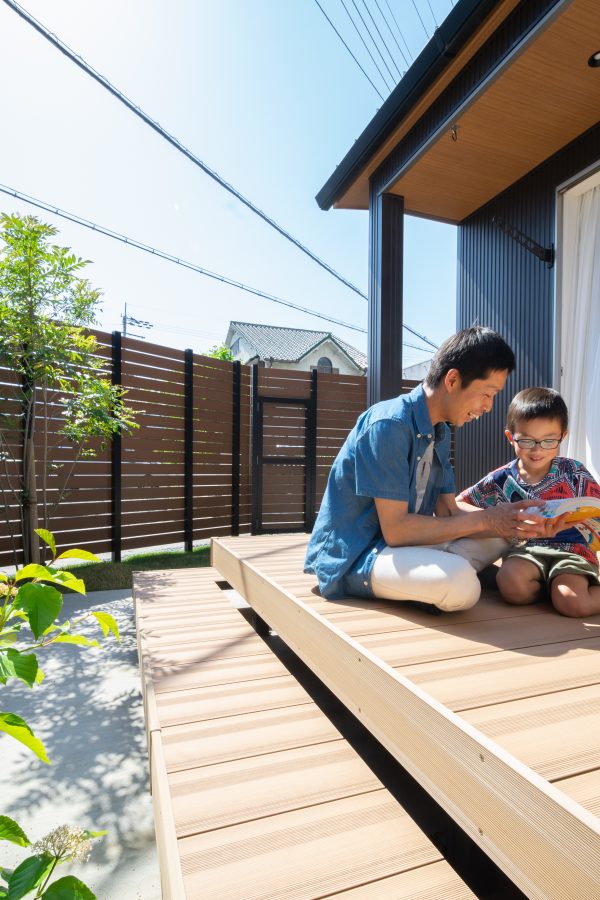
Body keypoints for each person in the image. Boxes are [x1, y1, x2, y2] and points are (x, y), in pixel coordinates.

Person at [304, 326, 547, 612]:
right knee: (461, 583)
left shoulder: (439, 431)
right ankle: (451, 575)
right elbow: (396, 531)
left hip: (405, 550)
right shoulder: (389, 425)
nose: (488, 407)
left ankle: (436, 577)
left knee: (504, 533)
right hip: (360, 557)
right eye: (487, 394)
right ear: (453, 380)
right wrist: (487, 519)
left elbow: (449, 512)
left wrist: (518, 521)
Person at [457, 387, 600, 618]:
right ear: (510, 437)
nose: (537, 449)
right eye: (526, 440)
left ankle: (561, 593)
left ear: (562, 436)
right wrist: (494, 519)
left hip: (572, 551)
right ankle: (552, 592)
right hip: (525, 551)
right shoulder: (501, 478)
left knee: (574, 603)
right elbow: (458, 504)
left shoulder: (574, 471)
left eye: (548, 441)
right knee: (510, 584)